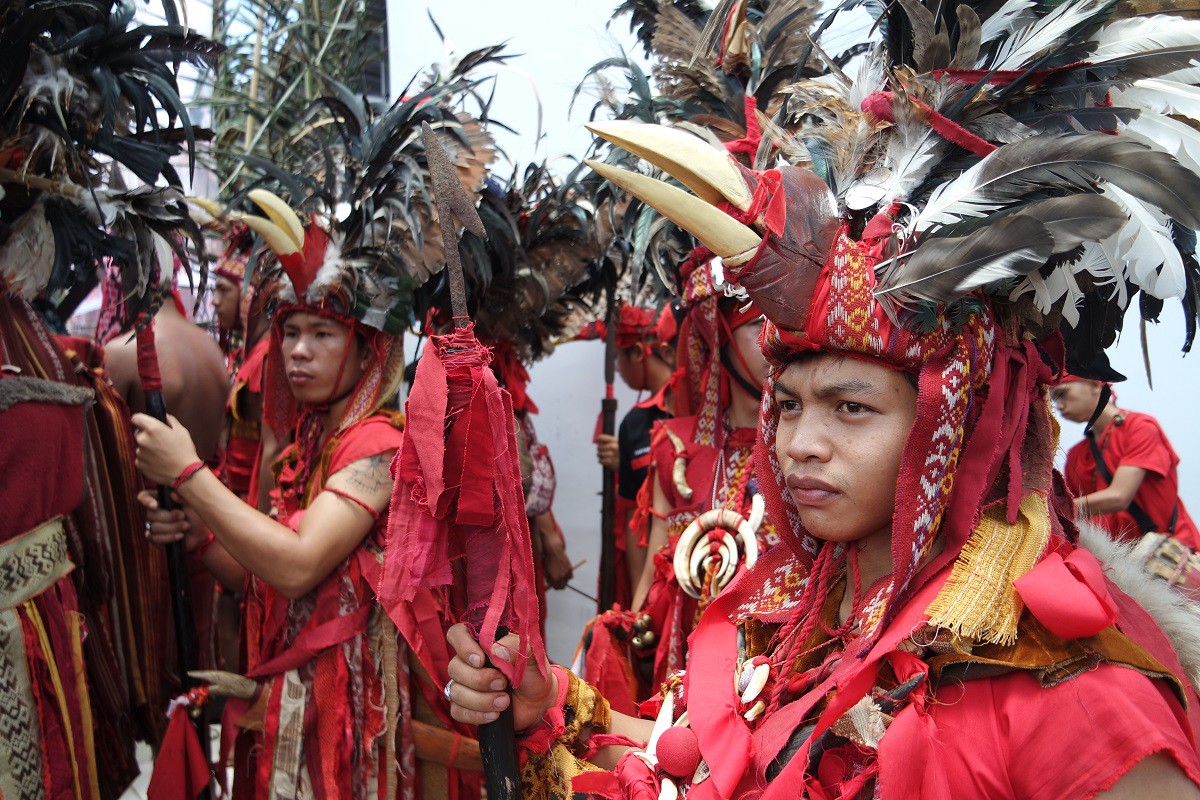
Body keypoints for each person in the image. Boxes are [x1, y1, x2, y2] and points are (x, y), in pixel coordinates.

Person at [442, 0, 1200, 791]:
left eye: (852, 407)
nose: (799, 443)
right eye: (791, 405)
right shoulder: (809, 616)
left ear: (955, 418)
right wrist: (551, 706)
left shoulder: (1076, 691)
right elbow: (717, 761)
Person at [595, 303, 677, 605]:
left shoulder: (696, 410)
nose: (617, 368)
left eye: (618, 357)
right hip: (654, 564)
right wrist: (639, 602)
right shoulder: (634, 423)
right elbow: (634, 518)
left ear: (640, 352)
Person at [1055, 377, 1200, 548]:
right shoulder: (1076, 454)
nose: (1059, 406)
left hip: (1168, 555)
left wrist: (1057, 509)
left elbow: (1119, 497)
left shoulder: (1140, 427)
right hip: (1114, 563)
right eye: (1054, 400)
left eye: (1062, 394)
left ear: (1094, 385)